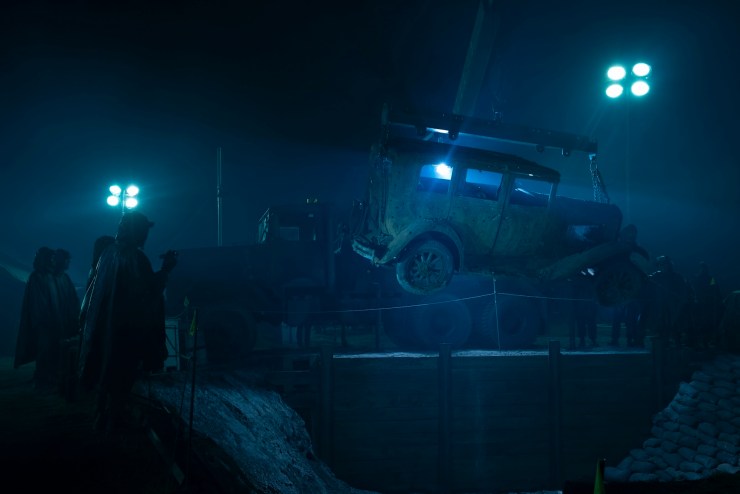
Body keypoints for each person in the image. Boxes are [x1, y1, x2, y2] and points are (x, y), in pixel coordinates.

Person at [78, 212, 178, 435]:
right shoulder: (135, 258)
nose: (145, 235)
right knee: (121, 374)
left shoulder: (108, 253)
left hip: (105, 329)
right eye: (144, 230)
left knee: (106, 373)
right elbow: (148, 291)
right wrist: (166, 270)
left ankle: (101, 417)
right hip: (124, 331)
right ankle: (113, 421)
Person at [14, 246, 60, 391]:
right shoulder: (36, 277)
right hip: (42, 322)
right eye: (51, 259)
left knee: (49, 349)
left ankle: (46, 377)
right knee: (43, 349)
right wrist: (43, 320)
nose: (53, 261)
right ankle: (41, 379)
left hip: (49, 321)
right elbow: (36, 302)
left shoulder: (50, 277)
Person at [53, 248, 82, 399]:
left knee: (66, 356)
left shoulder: (65, 278)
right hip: (56, 323)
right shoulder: (51, 278)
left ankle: (64, 385)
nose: (68, 263)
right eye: (66, 260)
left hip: (67, 323)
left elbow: (73, 300)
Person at [691, 261, 724, 349]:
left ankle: (707, 340)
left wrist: (715, 298)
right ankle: (700, 341)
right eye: (702, 268)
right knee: (700, 322)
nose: (704, 270)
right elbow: (695, 290)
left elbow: (714, 288)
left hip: (709, 303)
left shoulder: (710, 278)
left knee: (709, 322)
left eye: (705, 268)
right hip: (700, 303)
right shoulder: (697, 278)